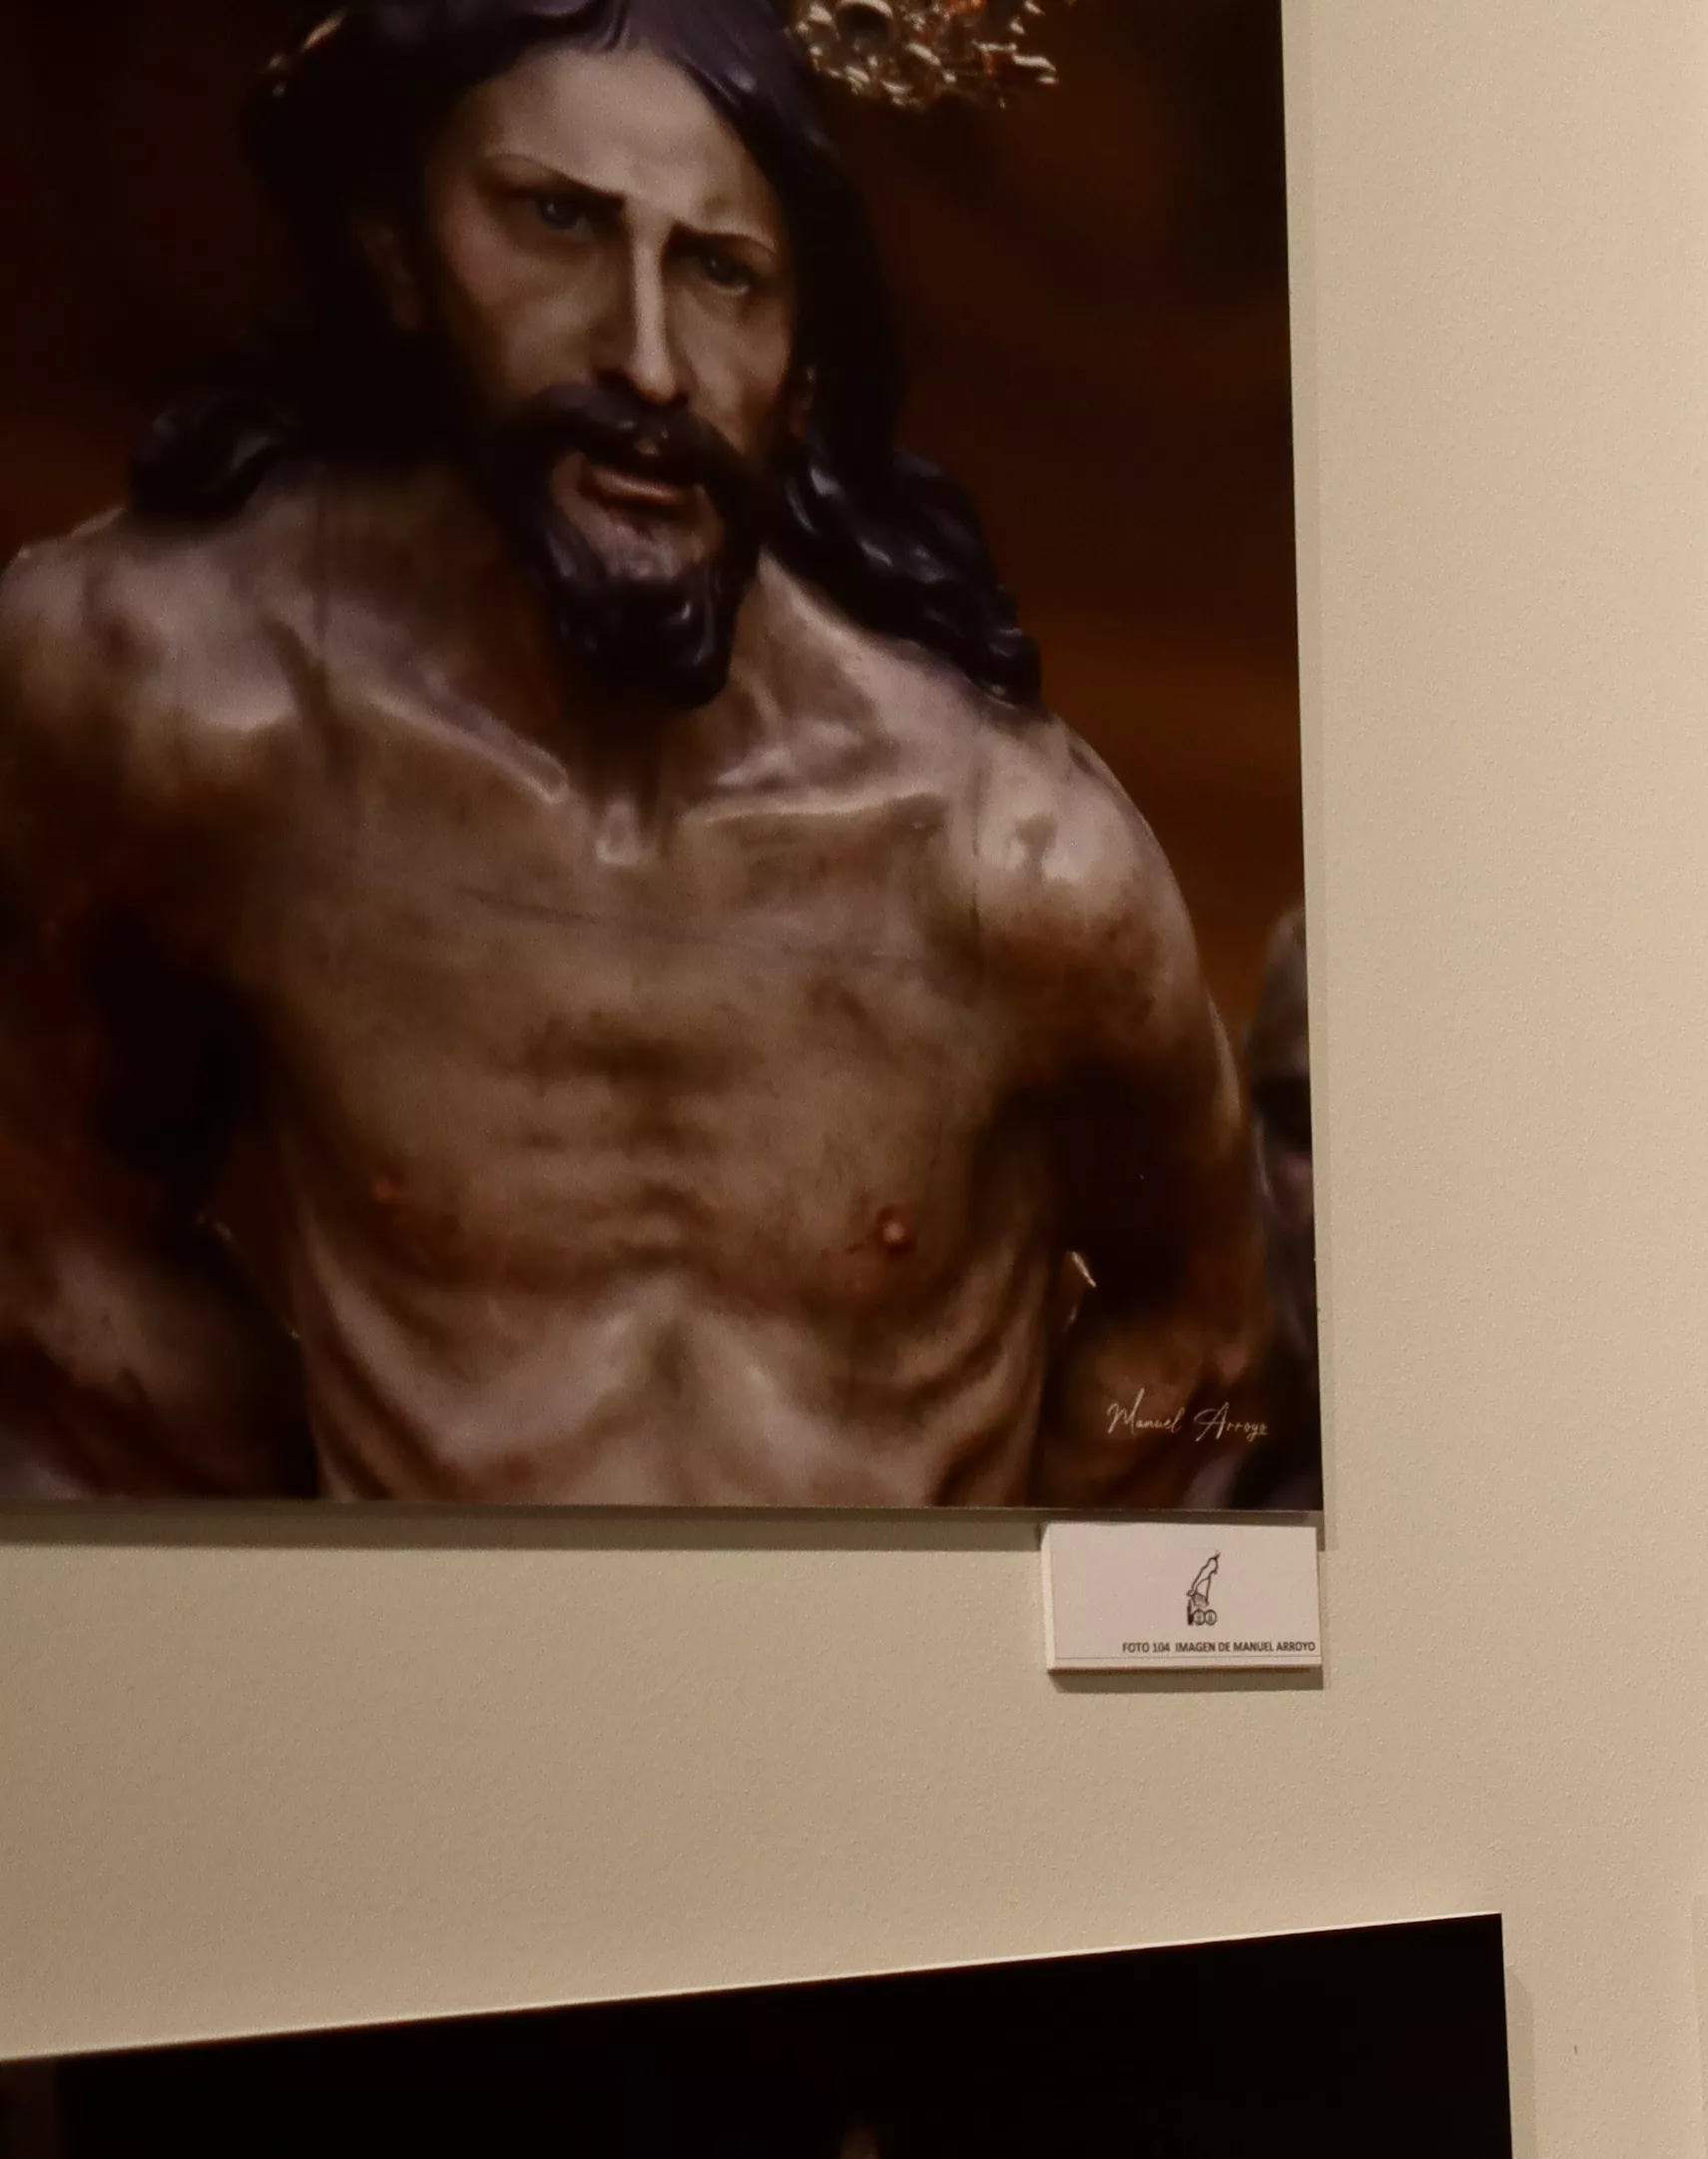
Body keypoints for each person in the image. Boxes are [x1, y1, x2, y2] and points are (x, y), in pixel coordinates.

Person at [0, 0, 1269, 1505]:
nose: (651, 361)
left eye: (724, 272)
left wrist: (1004, 1633)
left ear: (803, 370)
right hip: (429, 1715)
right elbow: (54, 1239)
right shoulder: (181, 712)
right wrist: (305, 1591)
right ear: (398, 252)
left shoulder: (1009, 860)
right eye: (556, 220)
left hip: (867, 1721)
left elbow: (1202, 1327)